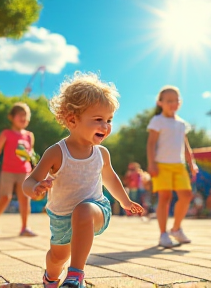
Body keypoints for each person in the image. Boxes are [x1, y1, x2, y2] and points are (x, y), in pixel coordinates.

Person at [23, 72, 144, 288]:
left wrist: (125, 202)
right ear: (72, 120)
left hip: (96, 209)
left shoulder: (102, 154)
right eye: (98, 120)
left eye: (109, 120)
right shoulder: (56, 152)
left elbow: (111, 178)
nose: (105, 126)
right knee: (57, 257)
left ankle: (75, 276)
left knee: (84, 210)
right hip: (61, 216)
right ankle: (50, 278)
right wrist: (36, 188)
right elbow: (29, 181)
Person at [147, 85, 198, 248]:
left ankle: (176, 229)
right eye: (169, 101)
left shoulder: (182, 123)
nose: (173, 103)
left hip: (179, 165)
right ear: (160, 103)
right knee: (165, 197)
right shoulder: (157, 121)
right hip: (162, 165)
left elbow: (186, 146)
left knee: (187, 195)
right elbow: (151, 144)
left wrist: (192, 164)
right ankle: (163, 234)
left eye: (176, 100)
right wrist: (151, 163)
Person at [0, 102, 36, 236]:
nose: (23, 118)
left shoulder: (29, 135)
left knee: (25, 199)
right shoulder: (6, 133)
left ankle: (25, 227)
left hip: (24, 171)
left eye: (26, 116)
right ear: (11, 117)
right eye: (20, 115)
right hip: (8, 171)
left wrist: (34, 170)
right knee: (5, 197)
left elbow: (30, 154)